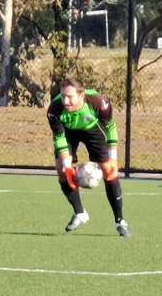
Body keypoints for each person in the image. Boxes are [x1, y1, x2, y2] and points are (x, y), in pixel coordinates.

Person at [46, 77, 130, 237]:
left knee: (109, 170)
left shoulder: (99, 103)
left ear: (81, 96)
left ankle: (120, 221)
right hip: (68, 132)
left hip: (92, 129)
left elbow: (111, 127)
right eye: (63, 95)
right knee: (62, 171)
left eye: (69, 96)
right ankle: (80, 213)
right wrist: (67, 166)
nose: (65, 100)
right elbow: (59, 138)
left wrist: (113, 158)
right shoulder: (54, 109)